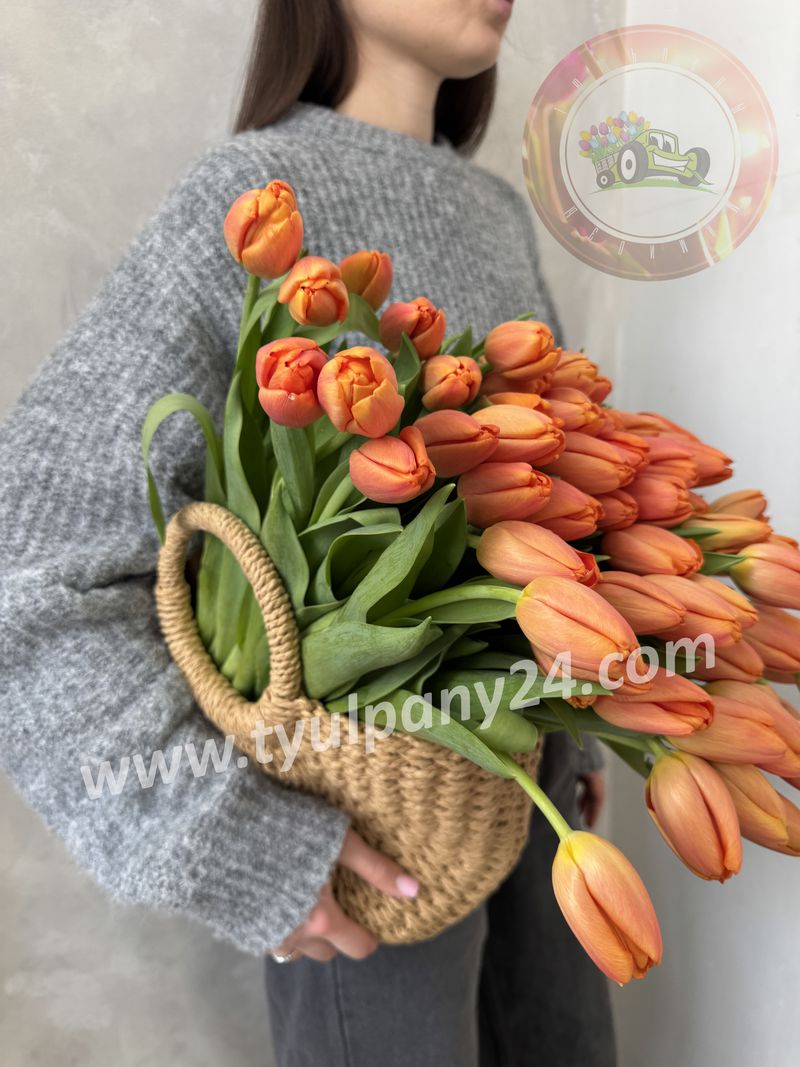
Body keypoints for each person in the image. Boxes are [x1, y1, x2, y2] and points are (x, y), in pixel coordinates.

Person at [0, 0, 614, 1063]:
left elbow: (554, 501)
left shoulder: (495, 215)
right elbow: (38, 553)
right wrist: (227, 836)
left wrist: (582, 723)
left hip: (531, 808)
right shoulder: (248, 196)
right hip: (366, 845)